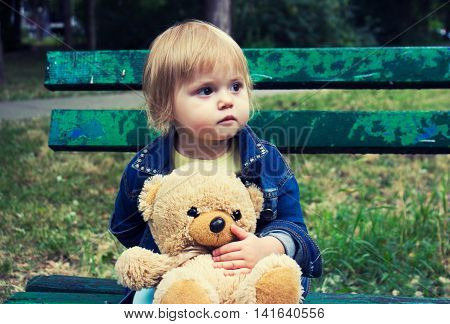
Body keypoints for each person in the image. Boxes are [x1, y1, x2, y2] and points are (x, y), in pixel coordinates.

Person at [109, 19, 322, 304]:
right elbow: (125, 226)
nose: (226, 100)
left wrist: (268, 247)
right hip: (183, 285)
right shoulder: (147, 168)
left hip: (246, 281)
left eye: (235, 86)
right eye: (206, 90)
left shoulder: (264, 160)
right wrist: (172, 252)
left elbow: (294, 226)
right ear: (166, 105)